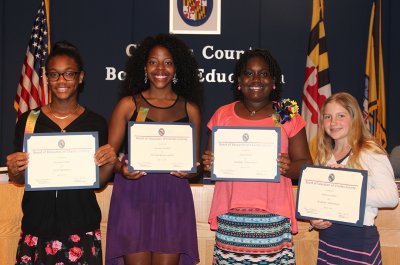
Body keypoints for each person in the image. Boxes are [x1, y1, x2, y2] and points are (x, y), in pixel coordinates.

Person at [6, 40, 117, 264]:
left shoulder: (95, 123)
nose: (61, 81)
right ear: (47, 79)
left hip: (80, 228)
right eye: (54, 75)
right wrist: (14, 169)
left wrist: (109, 163)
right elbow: (19, 178)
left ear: (80, 77)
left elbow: (99, 183)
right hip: (36, 229)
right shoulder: (29, 121)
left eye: (69, 74)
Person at [202, 48, 312, 264]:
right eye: (249, 73)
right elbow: (211, 162)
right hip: (231, 214)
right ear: (239, 81)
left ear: (273, 82)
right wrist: (209, 162)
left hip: (273, 215)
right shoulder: (223, 113)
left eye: (263, 73)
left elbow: (306, 163)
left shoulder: (285, 112)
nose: (256, 79)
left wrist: (287, 167)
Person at [105, 33, 202, 265]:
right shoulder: (129, 105)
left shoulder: (190, 109)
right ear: (144, 67)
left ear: (177, 68)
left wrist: (191, 171)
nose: (161, 68)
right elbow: (108, 157)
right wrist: (122, 169)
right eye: (153, 61)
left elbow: (195, 165)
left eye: (168, 62)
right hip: (133, 194)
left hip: (172, 196)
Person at [310, 92, 399, 264]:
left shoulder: (370, 152)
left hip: (359, 241)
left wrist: (349, 186)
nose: (333, 122)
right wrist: (314, 220)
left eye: (340, 116)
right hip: (329, 239)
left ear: (354, 118)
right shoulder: (323, 156)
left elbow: (391, 197)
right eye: (328, 117)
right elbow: (318, 200)